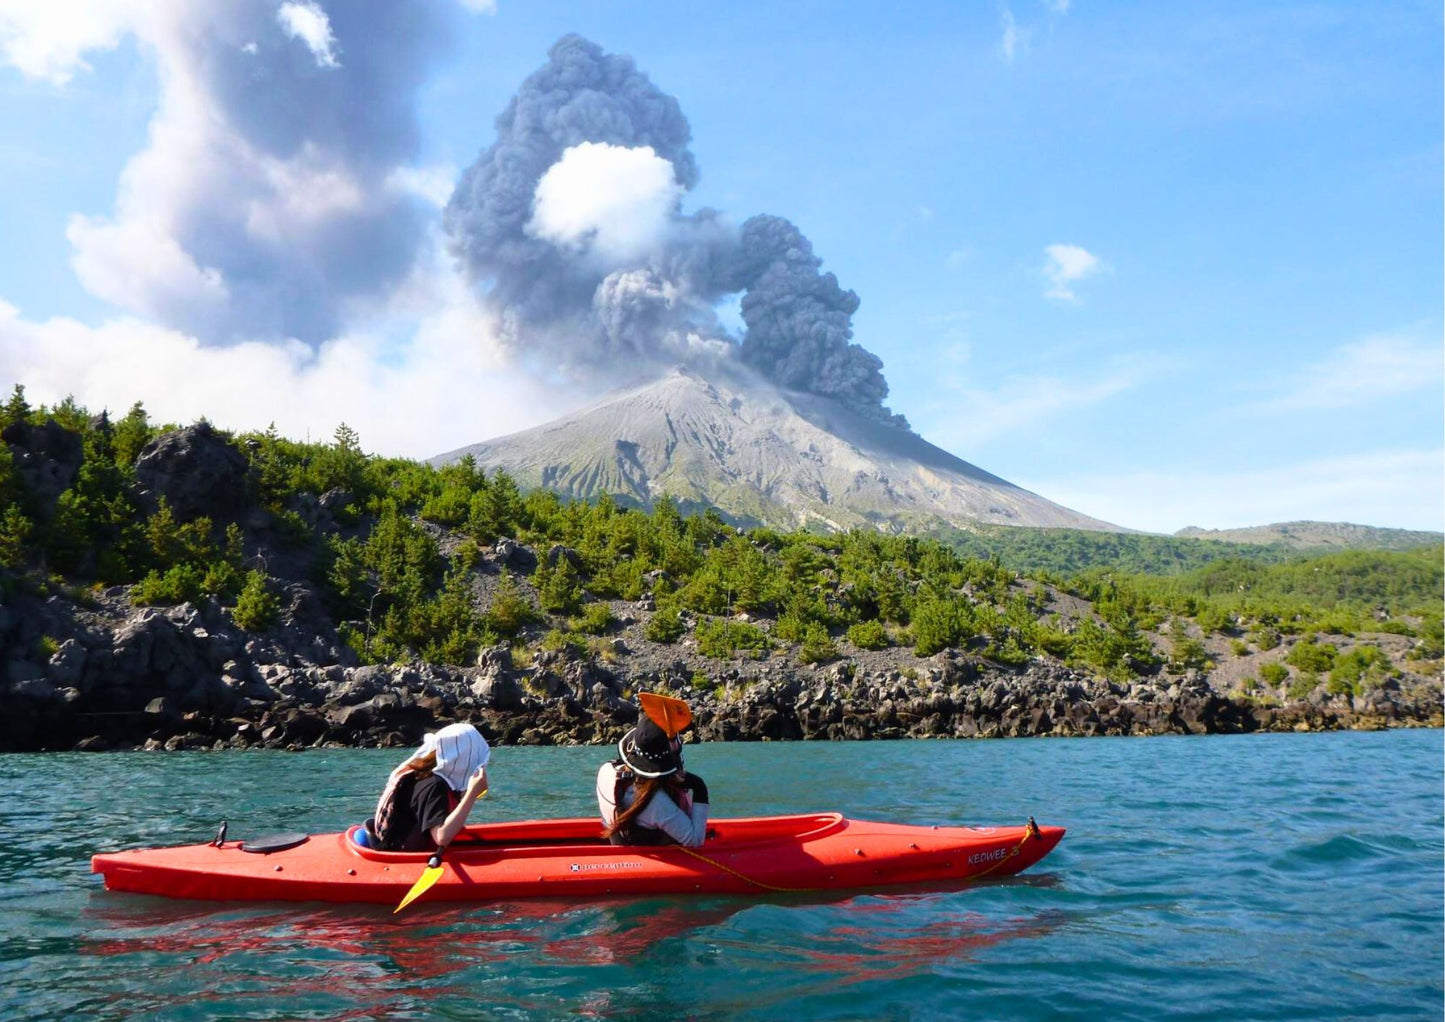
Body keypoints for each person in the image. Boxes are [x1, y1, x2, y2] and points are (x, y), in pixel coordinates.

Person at [357, 722, 490, 852]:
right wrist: (472, 793)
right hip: (400, 854)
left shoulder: (421, 772)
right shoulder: (434, 785)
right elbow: (441, 837)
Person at [596, 715, 710, 846]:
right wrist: (698, 786)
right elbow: (695, 841)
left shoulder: (606, 770)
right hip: (651, 856)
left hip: (620, 843)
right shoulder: (657, 804)